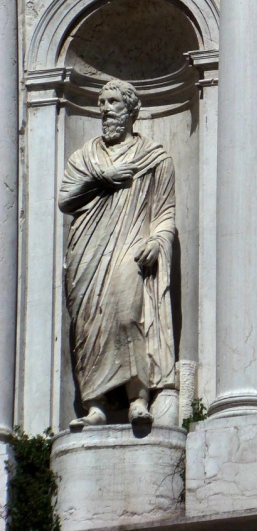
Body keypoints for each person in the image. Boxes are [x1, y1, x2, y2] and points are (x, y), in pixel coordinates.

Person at [59, 79, 177, 428]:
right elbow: (66, 200)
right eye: (100, 102)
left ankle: (138, 398)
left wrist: (157, 241)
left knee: (128, 315)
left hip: (129, 245)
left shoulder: (155, 158)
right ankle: (94, 406)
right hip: (86, 251)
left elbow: (166, 214)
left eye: (112, 102)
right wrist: (103, 179)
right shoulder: (84, 157)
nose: (104, 109)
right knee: (87, 324)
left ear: (130, 110)